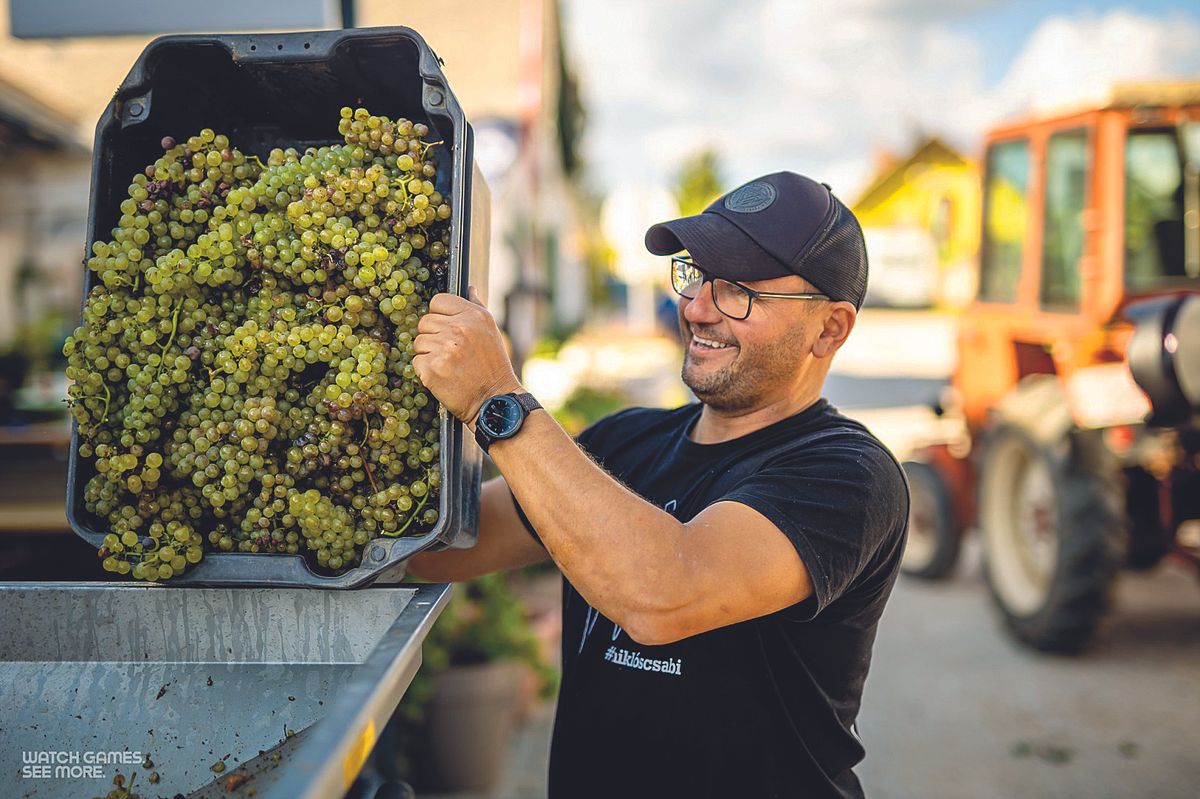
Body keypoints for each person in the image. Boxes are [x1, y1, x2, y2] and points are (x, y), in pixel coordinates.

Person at [408, 171, 909, 799]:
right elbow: (437, 546)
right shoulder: (623, 445)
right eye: (695, 274)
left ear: (830, 328)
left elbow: (662, 593)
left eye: (739, 291)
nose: (697, 307)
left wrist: (494, 399)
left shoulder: (849, 475)